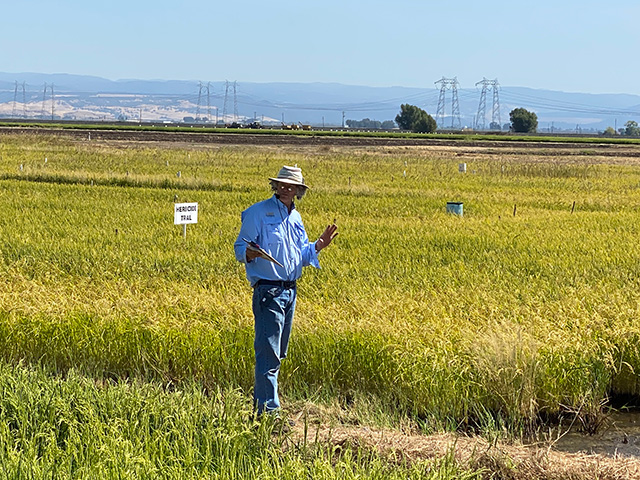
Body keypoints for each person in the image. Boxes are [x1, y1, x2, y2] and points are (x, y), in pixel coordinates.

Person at [234, 165, 338, 416]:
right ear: (275, 186)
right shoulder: (258, 212)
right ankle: (270, 414)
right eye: (281, 184)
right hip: (268, 291)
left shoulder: (296, 218)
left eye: (291, 185)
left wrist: (319, 245)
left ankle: (261, 408)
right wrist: (250, 253)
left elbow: (302, 255)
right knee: (268, 354)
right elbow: (239, 247)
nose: (285, 188)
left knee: (278, 354)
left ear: (299, 190)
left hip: (290, 291)